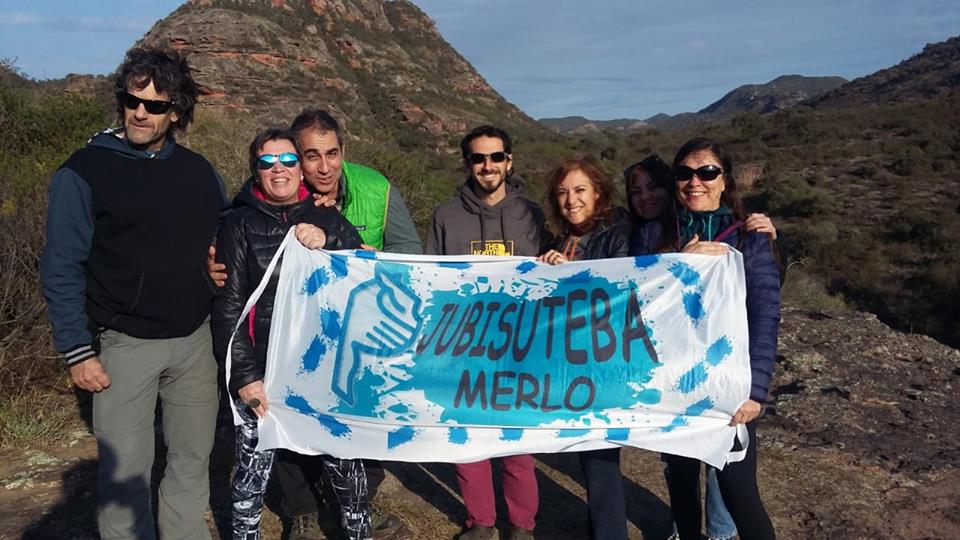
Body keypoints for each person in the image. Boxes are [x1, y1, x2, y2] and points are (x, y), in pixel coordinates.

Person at [40, 48, 227, 540]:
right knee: (124, 478)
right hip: (123, 345)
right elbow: (61, 266)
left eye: (156, 105)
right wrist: (77, 351)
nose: (140, 112)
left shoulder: (200, 172)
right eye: (132, 100)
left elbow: (224, 240)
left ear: (177, 112)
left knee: (191, 462)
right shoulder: (84, 171)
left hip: (195, 342)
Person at [211, 128, 367, 540]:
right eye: (266, 161)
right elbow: (228, 307)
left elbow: (366, 273)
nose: (277, 168)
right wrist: (245, 376)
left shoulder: (328, 216)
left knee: (346, 471)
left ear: (301, 168)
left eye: (287, 160)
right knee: (251, 476)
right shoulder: (237, 223)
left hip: (324, 369)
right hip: (263, 371)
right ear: (255, 171)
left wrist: (330, 238)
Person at [623, 154, 779, 540]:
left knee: (740, 492)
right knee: (679, 476)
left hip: (730, 380)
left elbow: (765, 313)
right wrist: (679, 263)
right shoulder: (653, 234)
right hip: (674, 378)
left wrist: (756, 391)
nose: (695, 181)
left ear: (725, 179)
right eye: (685, 173)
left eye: (707, 172)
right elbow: (638, 298)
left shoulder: (750, 234)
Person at [426, 125, 550, 540]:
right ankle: (480, 521)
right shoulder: (446, 215)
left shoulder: (532, 214)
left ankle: (522, 525)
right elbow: (431, 278)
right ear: (468, 163)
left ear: (509, 162)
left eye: (496, 157)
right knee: (467, 440)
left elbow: (556, 274)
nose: (488, 165)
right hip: (464, 347)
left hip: (521, 347)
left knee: (517, 445)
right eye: (479, 158)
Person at [537, 156, 631, 540]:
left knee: (600, 459)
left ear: (598, 193)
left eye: (579, 190)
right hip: (574, 364)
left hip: (603, 365)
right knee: (588, 456)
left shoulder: (617, 234)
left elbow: (619, 290)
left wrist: (571, 274)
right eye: (562, 192)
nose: (570, 200)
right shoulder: (564, 238)